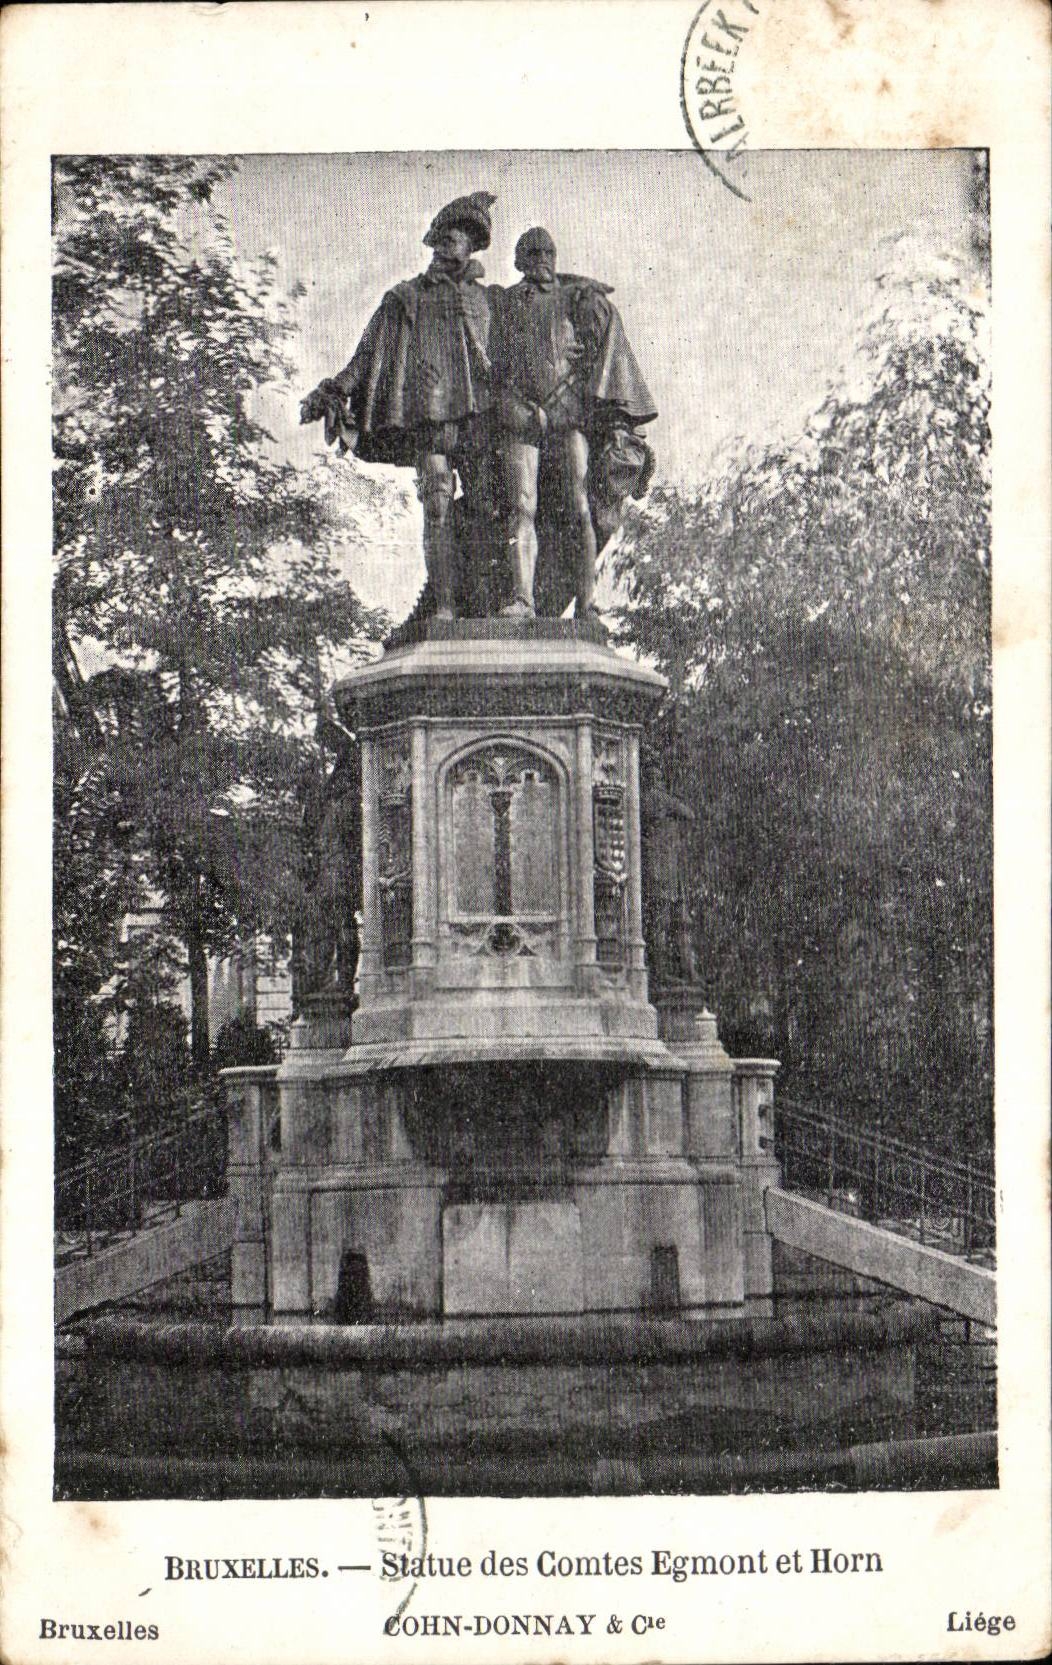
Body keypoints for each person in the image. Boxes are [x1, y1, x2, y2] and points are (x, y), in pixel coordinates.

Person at [300, 192, 497, 619]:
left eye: (458, 237)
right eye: (442, 237)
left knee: (487, 508)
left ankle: (483, 603)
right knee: (439, 506)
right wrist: (335, 389)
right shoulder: (405, 297)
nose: (449, 244)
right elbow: (366, 356)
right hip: (430, 418)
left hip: (481, 420)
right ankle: (444, 605)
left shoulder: (488, 300)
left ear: (472, 246)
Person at [491, 227, 657, 618]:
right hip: (521, 417)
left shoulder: (574, 298)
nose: (542, 259)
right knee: (521, 506)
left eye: (548, 252)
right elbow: (491, 367)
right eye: (532, 253)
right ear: (519, 261)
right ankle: (522, 598)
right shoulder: (503, 303)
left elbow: (602, 350)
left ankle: (586, 602)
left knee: (580, 505)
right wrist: (513, 406)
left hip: (568, 418)